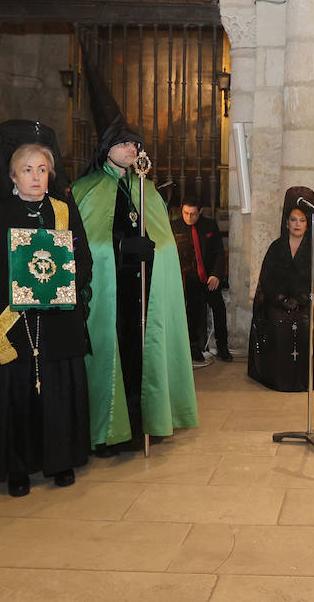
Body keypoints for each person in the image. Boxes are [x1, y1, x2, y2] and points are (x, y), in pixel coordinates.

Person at [74, 68, 196, 454]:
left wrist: (154, 251)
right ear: (106, 147)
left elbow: (165, 244)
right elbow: (81, 245)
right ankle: (108, 429)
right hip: (109, 296)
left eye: (135, 143)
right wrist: (120, 251)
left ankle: (145, 420)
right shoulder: (84, 190)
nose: (133, 149)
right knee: (110, 354)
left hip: (143, 292)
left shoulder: (147, 191)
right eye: (125, 142)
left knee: (141, 353)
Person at [0, 127, 92, 496]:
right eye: (27, 170)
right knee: (17, 394)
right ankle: (18, 468)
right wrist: (20, 290)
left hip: (58, 320)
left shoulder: (64, 210)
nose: (35, 177)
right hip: (12, 316)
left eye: (42, 169)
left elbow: (82, 257)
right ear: (12, 175)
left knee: (58, 392)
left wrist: (65, 284)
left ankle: (61, 461)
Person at [248, 186, 314, 391]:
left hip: (306, 303)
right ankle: (279, 379)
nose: (297, 224)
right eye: (294, 220)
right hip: (278, 302)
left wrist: (302, 299)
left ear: (308, 224)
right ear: (286, 222)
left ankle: (304, 379)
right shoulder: (276, 247)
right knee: (279, 322)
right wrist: (281, 299)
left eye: (302, 220)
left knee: (304, 324)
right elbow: (267, 280)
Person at [173, 194, 231, 363]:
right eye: (185, 213)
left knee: (219, 309)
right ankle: (194, 349)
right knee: (193, 312)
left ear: (200, 211)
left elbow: (219, 253)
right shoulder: (174, 227)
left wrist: (216, 275)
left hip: (209, 278)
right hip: (189, 279)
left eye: (193, 214)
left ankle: (223, 347)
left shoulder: (209, 225)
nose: (189, 217)